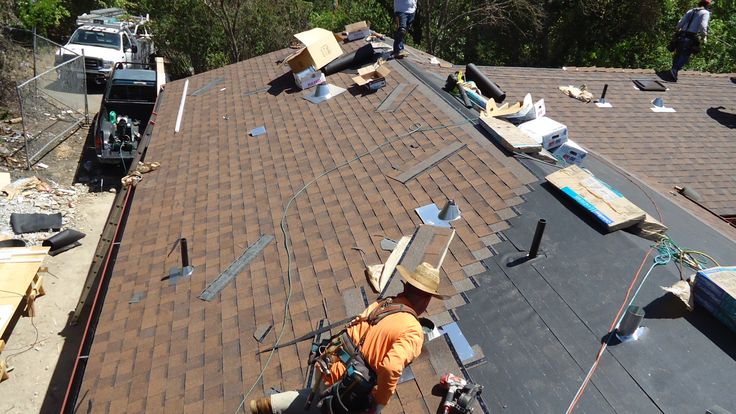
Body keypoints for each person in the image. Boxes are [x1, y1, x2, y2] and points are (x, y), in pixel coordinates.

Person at [249, 262, 449, 414]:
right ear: (426, 298)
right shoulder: (413, 330)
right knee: (328, 405)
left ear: (406, 287)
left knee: (315, 395)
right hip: (347, 383)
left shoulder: (386, 303)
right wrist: (379, 401)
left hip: (329, 361)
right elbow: (390, 367)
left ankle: (267, 405)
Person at [670, 0, 712, 82]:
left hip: (681, 35)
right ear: (707, 5)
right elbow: (703, 26)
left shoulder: (691, 11)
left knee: (678, 54)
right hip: (690, 36)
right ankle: (674, 70)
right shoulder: (705, 13)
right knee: (685, 56)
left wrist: (677, 31)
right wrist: (704, 36)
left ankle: (673, 73)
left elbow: (680, 23)